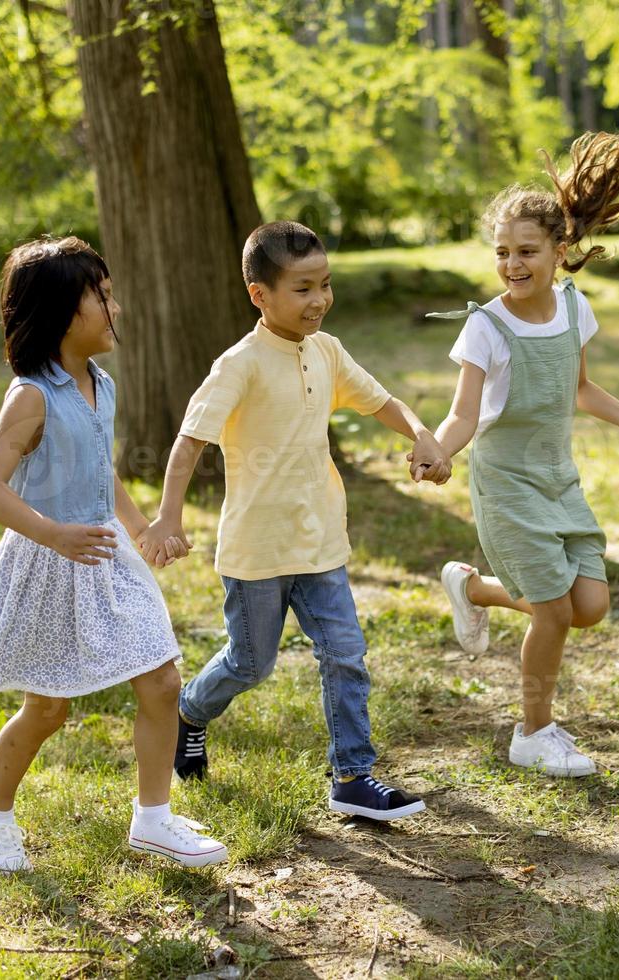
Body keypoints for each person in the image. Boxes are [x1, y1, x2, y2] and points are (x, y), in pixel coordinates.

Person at [138, 220, 450, 821]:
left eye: (325, 285)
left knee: (345, 654)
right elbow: (189, 440)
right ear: (261, 294)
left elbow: (382, 400)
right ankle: (190, 713)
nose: (320, 300)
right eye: (304, 288)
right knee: (250, 664)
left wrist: (421, 434)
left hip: (321, 540)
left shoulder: (327, 351)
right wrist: (168, 515)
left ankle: (352, 776)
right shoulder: (241, 364)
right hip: (257, 549)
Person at [0, 237, 226, 872]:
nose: (117, 308)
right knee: (48, 708)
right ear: (58, 311)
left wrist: (141, 530)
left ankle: (153, 819)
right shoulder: (32, 396)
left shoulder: (100, 384)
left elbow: (99, 472)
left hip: (105, 556)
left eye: (111, 294)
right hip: (48, 565)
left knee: (162, 680)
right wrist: (54, 534)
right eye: (100, 297)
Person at [434, 132, 619, 778]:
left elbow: (583, 390)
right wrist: (439, 451)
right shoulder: (485, 325)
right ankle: (534, 731)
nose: (512, 264)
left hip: (558, 481)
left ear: (560, 253)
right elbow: (464, 414)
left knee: (589, 606)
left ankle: (473, 589)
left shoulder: (574, 308)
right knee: (555, 611)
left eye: (526, 251)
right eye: (502, 252)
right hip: (505, 484)